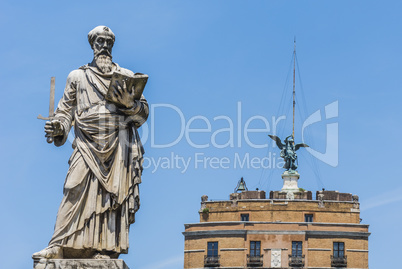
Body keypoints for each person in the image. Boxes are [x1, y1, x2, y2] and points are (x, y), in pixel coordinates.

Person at [32, 26, 149, 260]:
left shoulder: (126, 76)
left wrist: (129, 104)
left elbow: (142, 113)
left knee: (110, 196)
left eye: (108, 42)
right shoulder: (77, 76)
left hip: (117, 142)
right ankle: (58, 245)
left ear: (112, 46)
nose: (104, 46)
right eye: (99, 42)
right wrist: (59, 127)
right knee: (72, 188)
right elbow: (65, 112)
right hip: (86, 142)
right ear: (92, 45)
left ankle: (104, 249)